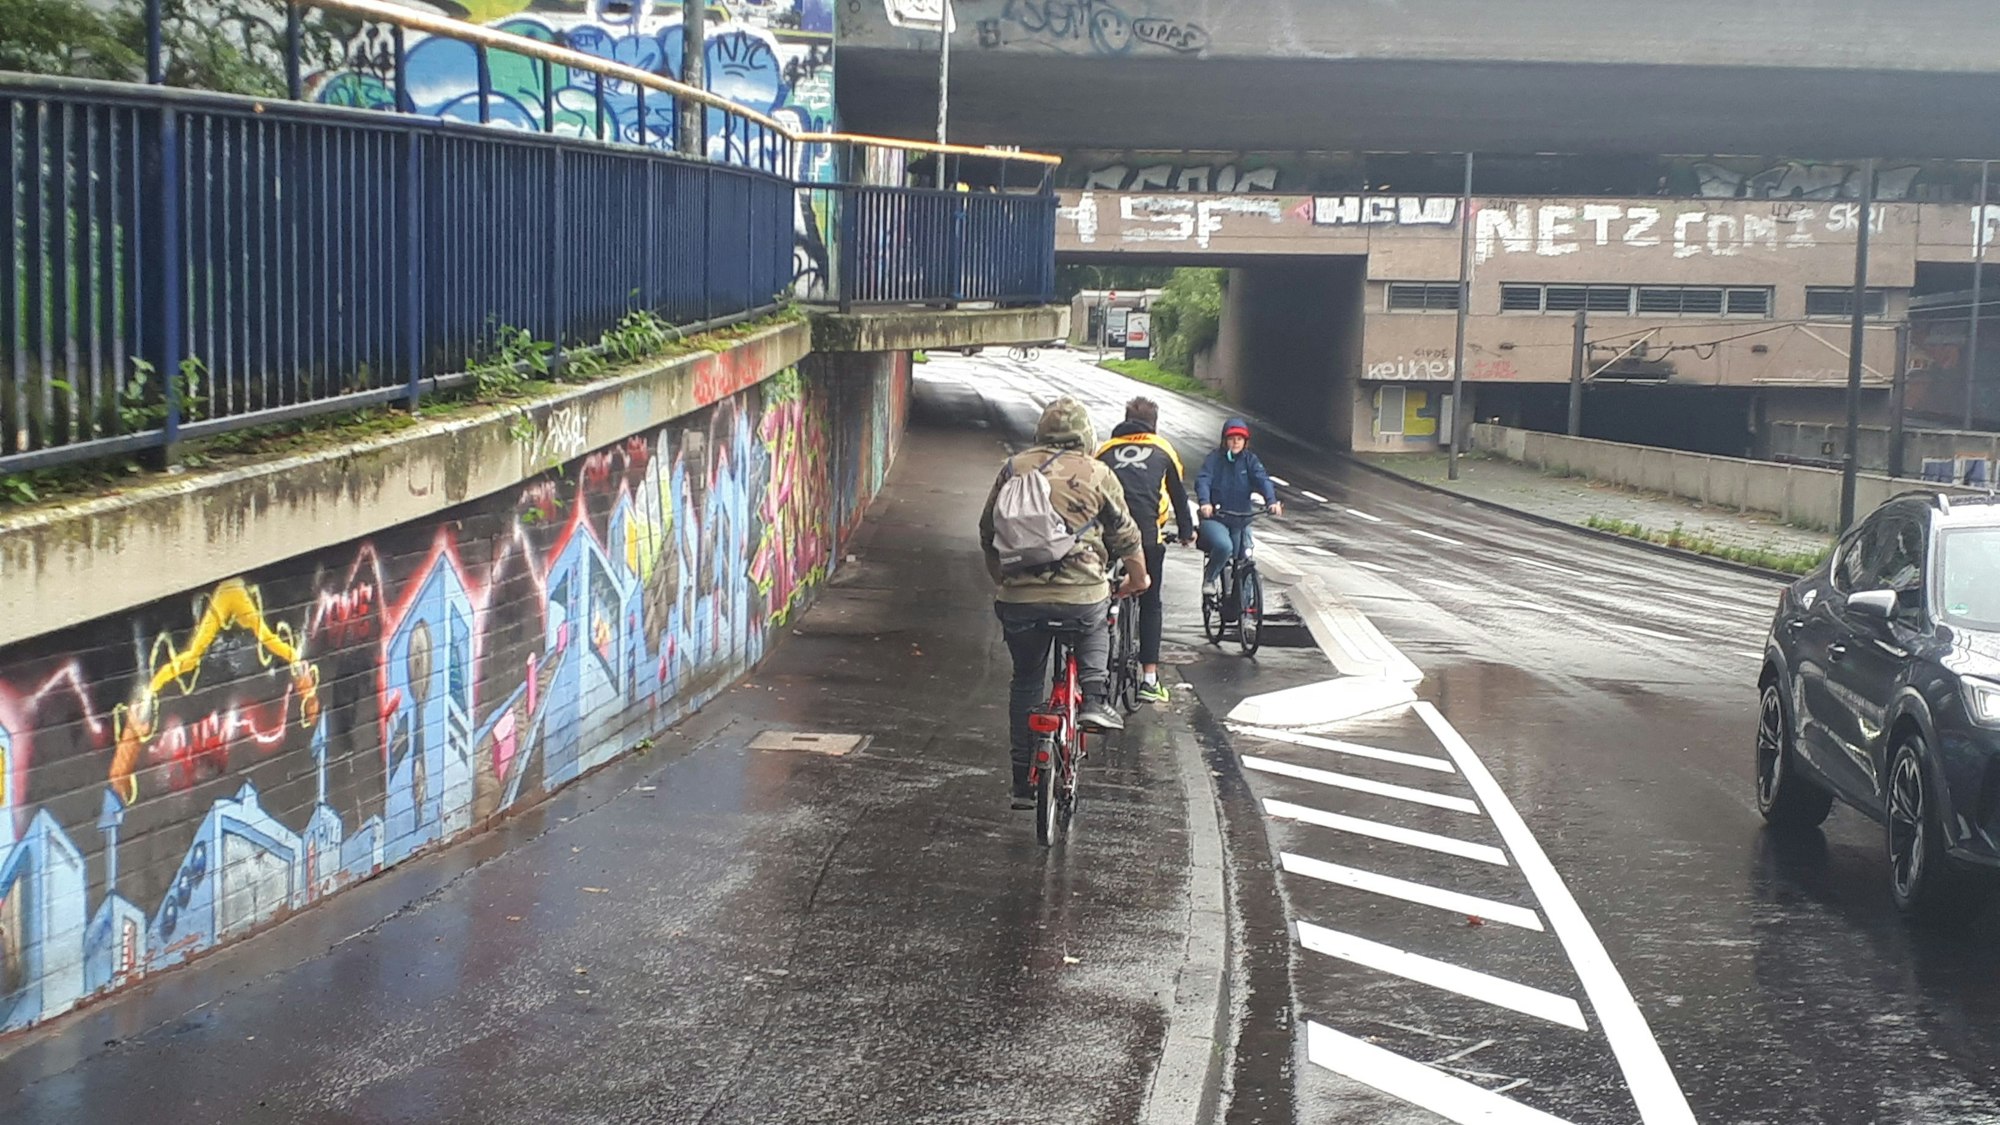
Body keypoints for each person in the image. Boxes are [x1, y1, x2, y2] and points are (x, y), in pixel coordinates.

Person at [980, 397, 1150, 809]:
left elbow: (988, 531)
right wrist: (1139, 578)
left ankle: (1022, 782)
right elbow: (1126, 536)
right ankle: (1093, 699)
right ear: (1085, 435)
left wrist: (1004, 581)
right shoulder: (1098, 472)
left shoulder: (1014, 469)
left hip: (1020, 599)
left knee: (1026, 680)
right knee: (1096, 619)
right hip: (1080, 594)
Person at [1096, 397, 1195, 704]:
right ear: (1154, 424)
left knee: (1096, 596)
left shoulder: (1104, 450)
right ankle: (1149, 680)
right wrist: (1187, 532)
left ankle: (1093, 673)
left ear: (1125, 420)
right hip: (1146, 537)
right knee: (1151, 603)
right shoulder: (1164, 449)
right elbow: (1178, 496)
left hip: (1107, 536)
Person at [1195, 418, 1282, 592]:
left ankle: (1247, 601)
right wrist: (1205, 503)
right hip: (1216, 518)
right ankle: (1210, 579)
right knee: (1224, 546)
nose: (1235, 442)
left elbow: (1263, 480)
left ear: (1245, 442)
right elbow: (1203, 480)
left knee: (1245, 557)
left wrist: (1271, 501)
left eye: (1240, 439)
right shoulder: (1214, 459)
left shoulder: (1250, 460)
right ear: (1224, 440)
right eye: (1231, 438)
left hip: (1241, 520)